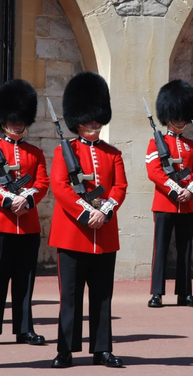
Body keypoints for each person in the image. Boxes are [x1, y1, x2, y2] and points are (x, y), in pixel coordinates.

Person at [49, 72, 127, 368]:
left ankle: (102, 349)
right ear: (77, 120)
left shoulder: (113, 154)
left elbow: (120, 186)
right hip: (73, 234)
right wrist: (85, 212)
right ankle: (65, 349)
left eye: (97, 119)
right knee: (69, 296)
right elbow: (60, 187)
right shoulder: (64, 151)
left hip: (103, 234)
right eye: (88, 120)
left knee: (102, 296)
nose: (94, 124)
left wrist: (104, 210)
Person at [0, 79, 50, 347]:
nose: (18, 125)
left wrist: (26, 199)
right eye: (14, 120)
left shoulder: (35, 152)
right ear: (4, 120)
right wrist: (9, 200)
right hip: (0, 224)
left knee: (25, 282)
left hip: (28, 226)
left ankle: (24, 329)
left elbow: (42, 183)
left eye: (21, 121)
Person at [146, 80, 193, 308]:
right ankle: (157, 292)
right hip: (165, 203)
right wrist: (175, 189)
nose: (180, 121)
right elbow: (154, 171)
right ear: (167, 118)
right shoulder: (156, 143)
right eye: (176, 117)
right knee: (161, 248)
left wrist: (190, 190)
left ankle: (185, 293)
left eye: (182, 117)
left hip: (187, 204)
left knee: (185, 248)